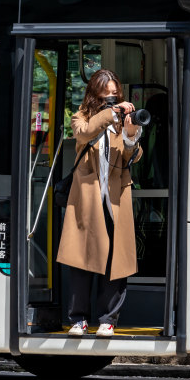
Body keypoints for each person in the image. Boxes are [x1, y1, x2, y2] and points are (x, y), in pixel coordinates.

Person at [57, 69, 143, 337]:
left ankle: (108, 319)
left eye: (115, 95)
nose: (111, 99)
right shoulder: (81, 117)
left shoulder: (122, 122)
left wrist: (130, 134)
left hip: (116, 199)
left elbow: (133, 156)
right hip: (87, 199)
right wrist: (111, 113)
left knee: (116, 262)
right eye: (105, 95)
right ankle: (78, 319)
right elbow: (83, 134)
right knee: (82, 261)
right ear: (94, 95)